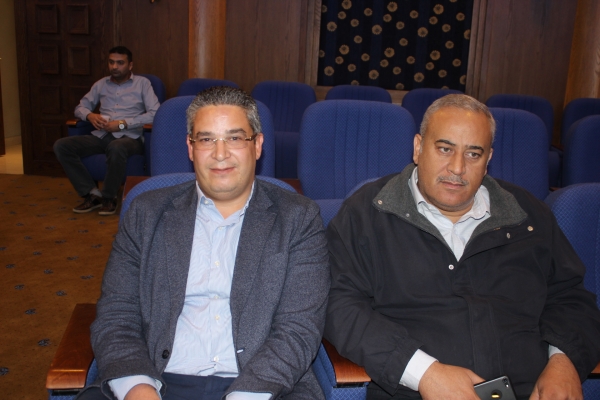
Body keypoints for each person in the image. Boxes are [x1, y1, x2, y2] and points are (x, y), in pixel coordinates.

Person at [324, 94, 600, 400]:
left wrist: (563, 362)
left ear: (488, 159)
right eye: (445, 149)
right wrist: (423, 372)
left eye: (473, 154)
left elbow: (570, 297)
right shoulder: (366, 214)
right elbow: (339, 304)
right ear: (418, 148)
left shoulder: (528, 215)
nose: (457, 168)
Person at [76, 86, 329, 400]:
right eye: (206, 139)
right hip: (156, 377)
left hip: (262, 385)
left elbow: (298, 328)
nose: (220, 154)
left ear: (257, 145)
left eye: (235, 138)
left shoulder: (298, 219)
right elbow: (117, 313)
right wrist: (138, 388)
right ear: (190, 147)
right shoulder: (146, 213)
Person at [54, 46, 159, 216]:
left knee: (116, 146)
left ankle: (109, 198)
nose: (115, 66)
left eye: (120, 63)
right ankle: (91, 193)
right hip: (102, 135)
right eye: (111, 62)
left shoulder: (142, 84)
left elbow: (155, 114)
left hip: (130, 138)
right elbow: (80, 108)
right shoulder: (101, 84)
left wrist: (123, 124)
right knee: (62, 146)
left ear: (130, 65)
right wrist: (90, 116)